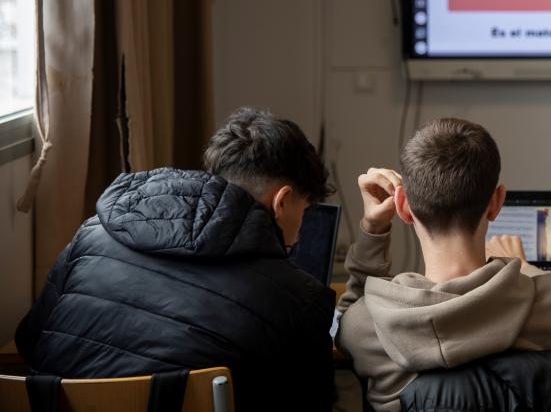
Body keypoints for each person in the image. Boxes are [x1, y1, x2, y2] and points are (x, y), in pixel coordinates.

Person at [16, 107, 337, 411]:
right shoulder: (297, 298)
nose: (299, 233)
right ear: (282, 201)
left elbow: (30, 343)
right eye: (304, 212)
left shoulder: (91, 234)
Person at [335, 117, 551, 412]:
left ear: (403, 206)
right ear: (496, 203)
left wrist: (373, 229)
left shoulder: (367, 324)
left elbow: (343, 323)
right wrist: (525, 267)